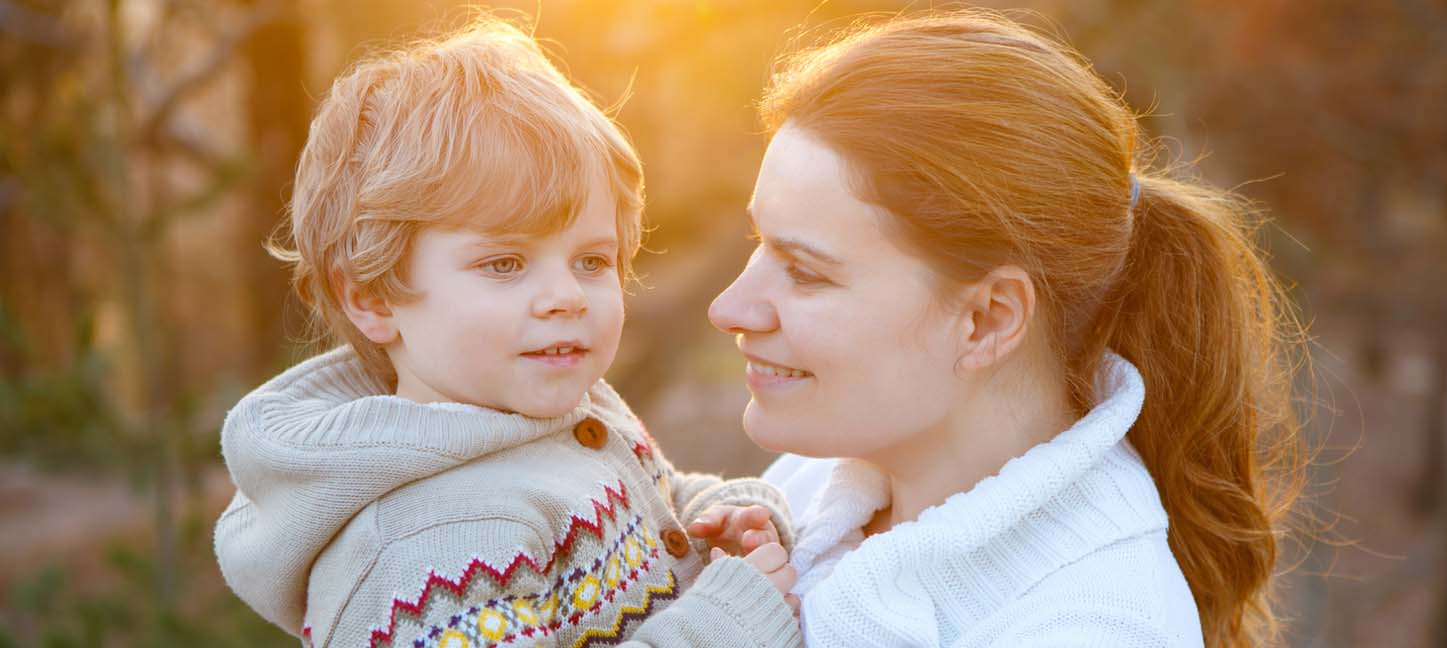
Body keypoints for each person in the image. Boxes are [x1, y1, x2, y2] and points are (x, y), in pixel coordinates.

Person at [709, 11, 1307, 647]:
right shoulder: (813, 485)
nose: (729, 308)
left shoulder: (1098, 627)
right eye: (758, 242)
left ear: (987, 319)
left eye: (804, 270)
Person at [213, 18, 801, 648]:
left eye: (592, 261)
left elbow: (654, 500)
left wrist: (720, 517)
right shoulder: (428, 549)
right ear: (373, 297)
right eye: (504, 264)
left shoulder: (563, 405)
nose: (566, 297)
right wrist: (726, 625)